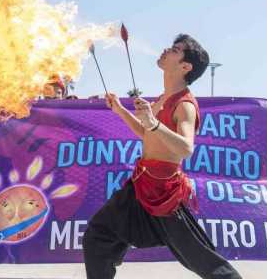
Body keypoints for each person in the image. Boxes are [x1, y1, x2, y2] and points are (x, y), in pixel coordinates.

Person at [83, 34, 241, 279]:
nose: (167, 49)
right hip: (138, 187)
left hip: (164, 194)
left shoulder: (185, 104)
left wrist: (154, 123)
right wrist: (121, 111)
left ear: (185, 67)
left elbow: (186, 148)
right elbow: (146, 134)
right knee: (98, 235)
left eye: (175, 49)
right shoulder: (161, 99)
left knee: (205, 263)